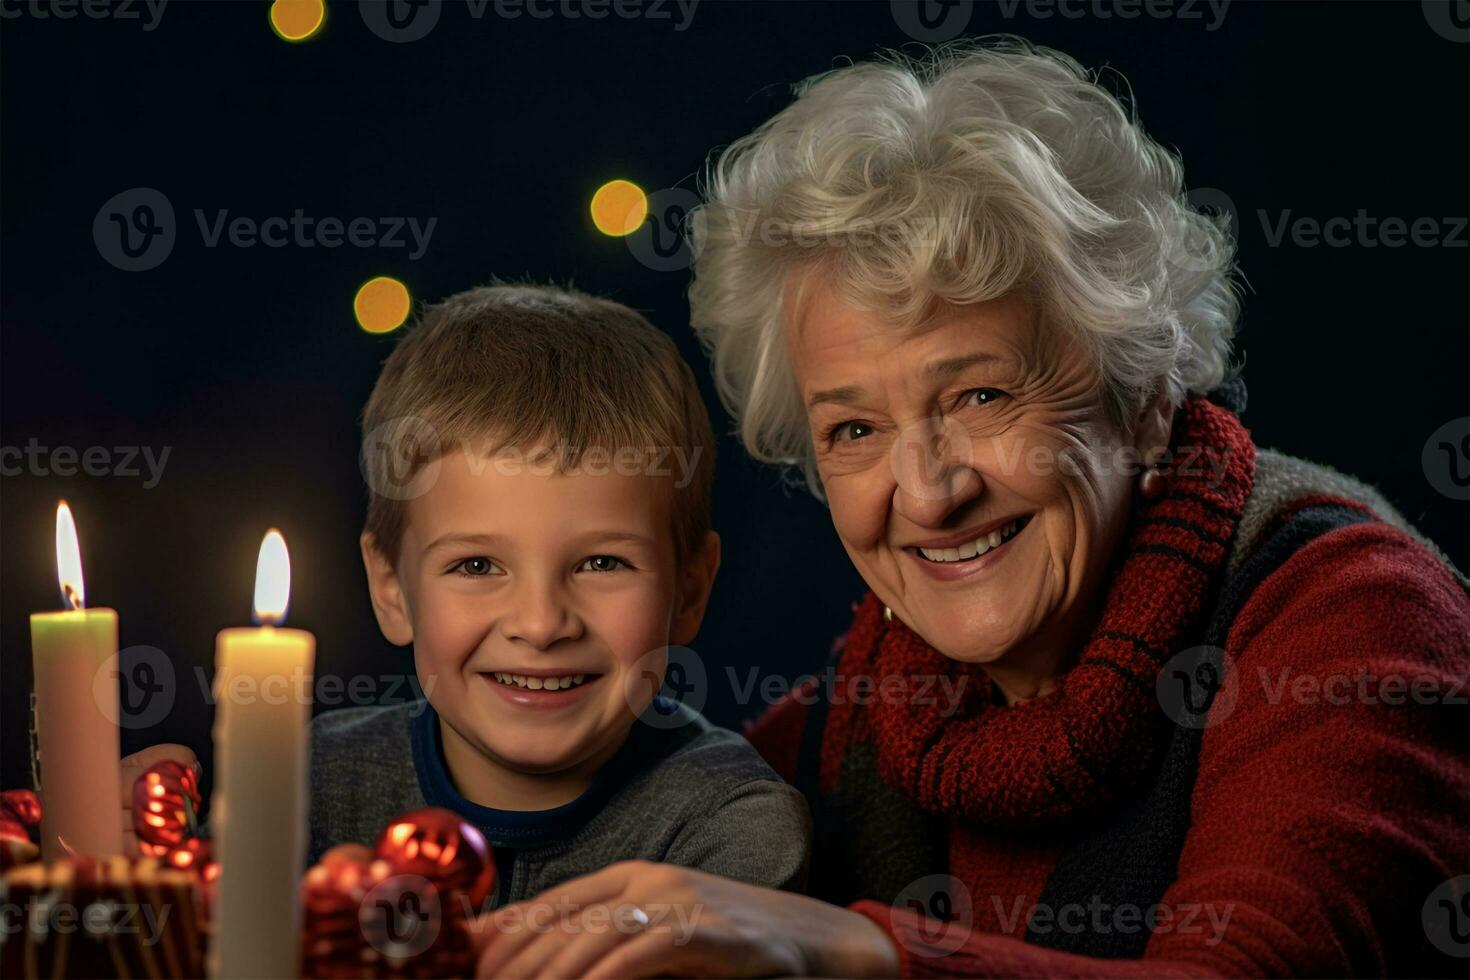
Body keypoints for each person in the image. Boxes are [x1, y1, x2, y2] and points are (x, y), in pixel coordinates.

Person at [471, 40, 1470, 978]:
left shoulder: (1358, 616)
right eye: (853, 430)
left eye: (981, 396)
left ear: (1148, 393)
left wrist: (858, 952)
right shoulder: (847, 719)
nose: (931, 491)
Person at [122, 283, 811, 914]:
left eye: (603, 562)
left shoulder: (733, 829)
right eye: (477, 564)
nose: (541, 624)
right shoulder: (303, 785)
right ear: (391, 587)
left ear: (690, 590)